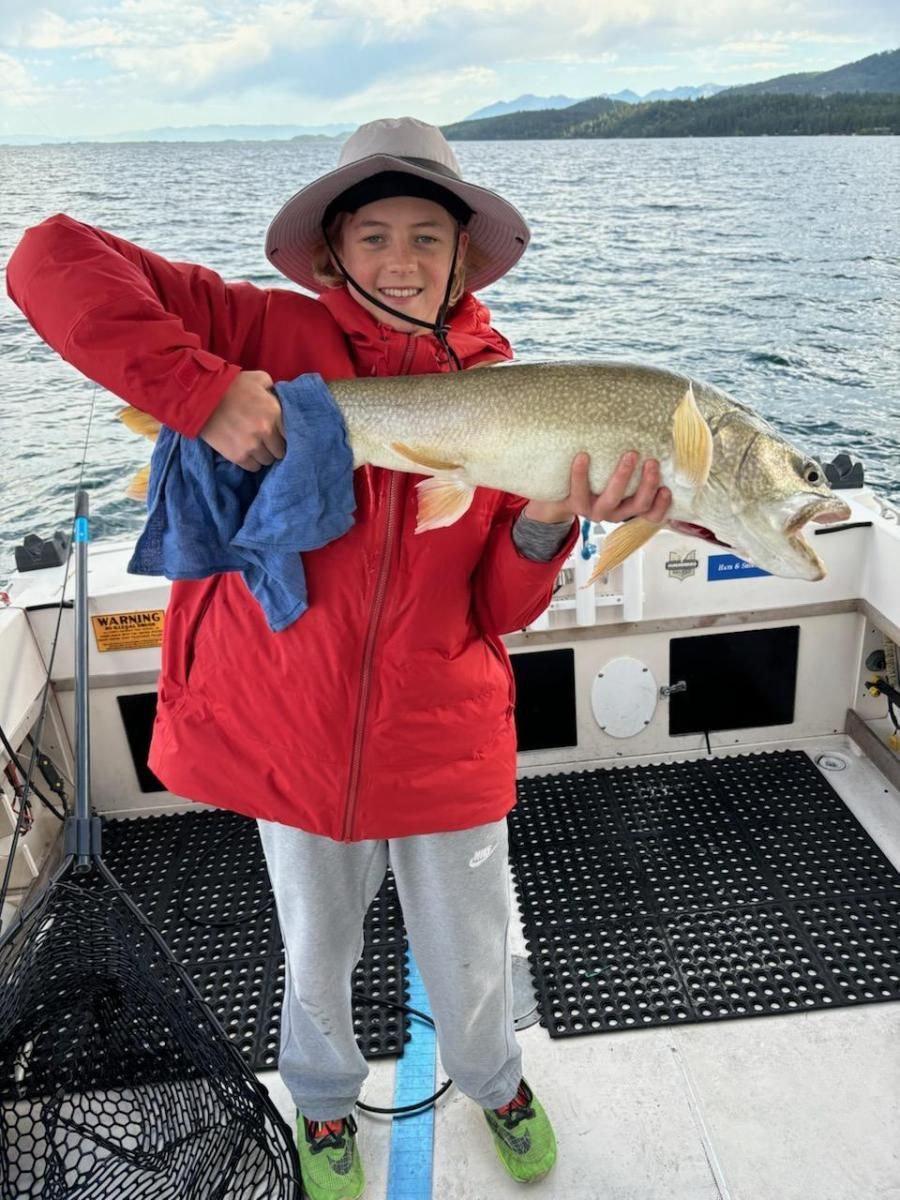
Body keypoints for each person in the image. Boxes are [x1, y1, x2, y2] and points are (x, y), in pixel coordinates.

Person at [6, 117, 670, 1199]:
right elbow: (48, 257)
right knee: (314, 951)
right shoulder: (262, 331)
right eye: (373, 237)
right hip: (294, 733)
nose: (400, 262)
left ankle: (496, 1083)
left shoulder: (513, 390)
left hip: (443, 734)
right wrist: (204, 393)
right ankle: (321, 1104)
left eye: (426, 238)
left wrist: (550, 520)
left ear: (463, 259)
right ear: (331, 252)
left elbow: (496, 609)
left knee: (471, 948)